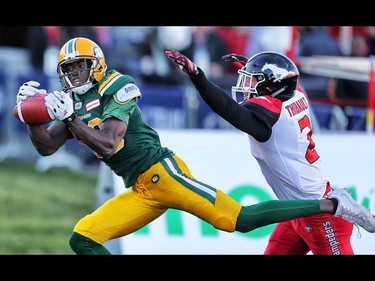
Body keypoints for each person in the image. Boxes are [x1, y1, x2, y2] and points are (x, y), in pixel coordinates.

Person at [16, 37, 375, 255]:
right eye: (69, 69)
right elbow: (46, 147)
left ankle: (331, 204)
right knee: (82, 238)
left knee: (239, 220)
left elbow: (110, 144)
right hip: (138, 189)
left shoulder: (117, 84)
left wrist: (70, 120)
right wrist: (33, 119)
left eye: (80, 67)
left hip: (163, 174)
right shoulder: (72, 103)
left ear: (96, 66)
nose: (73, 75)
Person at [166, 49, 375, 255]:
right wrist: (255, 66)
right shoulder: (296, 94)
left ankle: (342, 206)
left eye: (252, 81)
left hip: (321, 213)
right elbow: (282, 79)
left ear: (271, 86)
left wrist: (197, 76)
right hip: (296, 210)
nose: (246, 88)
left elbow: (229, 110)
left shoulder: (270, 117)